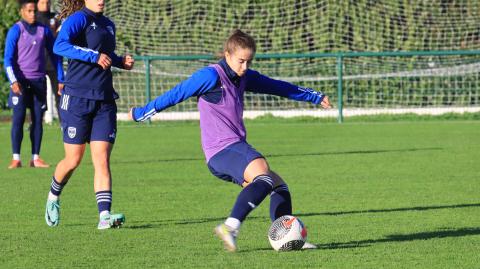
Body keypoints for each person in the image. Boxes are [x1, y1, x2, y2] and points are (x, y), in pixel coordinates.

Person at [129, 29, 332, 251]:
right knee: (263, 175)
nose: (245, 67)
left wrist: (314, 96)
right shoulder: (210, 76)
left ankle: (288, 239)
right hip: (222, 150)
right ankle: (230, 227)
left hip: (231, 150)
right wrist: (141, 113)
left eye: (249, 62)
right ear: (227, 54)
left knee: (278, 187)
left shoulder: (244, 76)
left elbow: (278, 87)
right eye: (241, 61)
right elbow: (175, 94)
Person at [44, 0, 134, 230]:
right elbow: (59, 46)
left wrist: (119, 61)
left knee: (102, 159)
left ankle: (104, 216)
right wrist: (94, 56)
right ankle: (53, 197)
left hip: (104, 101)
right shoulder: (78, 19)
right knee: (73, 159)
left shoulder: (108, 24)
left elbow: (106, 55)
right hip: (76, 99)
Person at [4, 0, 65, 169]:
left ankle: (35, 158)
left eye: (34, 11)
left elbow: (56, 55)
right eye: (29, 11)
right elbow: (8, 59)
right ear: (22, 12)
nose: (32, 14)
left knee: (37, 119)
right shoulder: (16, 30)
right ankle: (16, 158)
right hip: (20, 84)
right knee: (18, 119)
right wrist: (13, 81)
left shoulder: (44, 30)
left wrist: (61, 78)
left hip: (39, 82)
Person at [36, 0, 63, 120]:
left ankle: (64, 123)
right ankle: (36, 121)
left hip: (54, 63)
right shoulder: (33, 19)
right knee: (39, 96)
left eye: (47, 2)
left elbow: (61, 37)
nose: (45, 4)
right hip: (38, 65)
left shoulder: (56, 18)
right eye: (42, 2)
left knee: (60, 95)